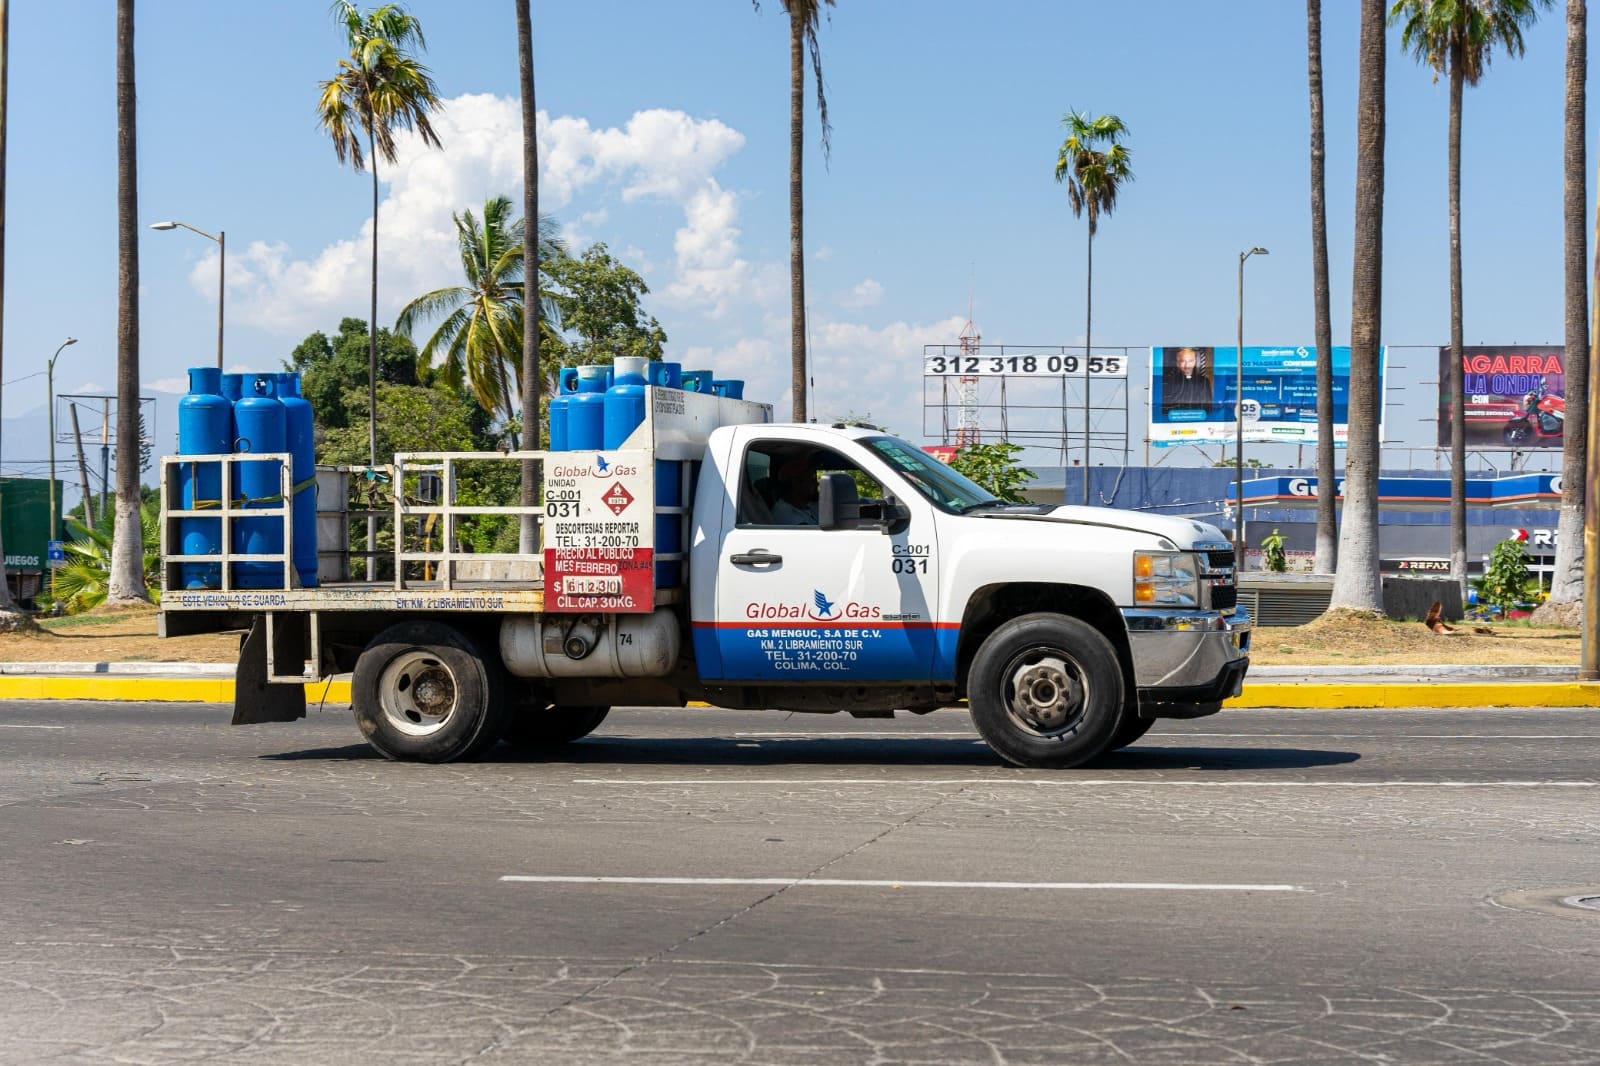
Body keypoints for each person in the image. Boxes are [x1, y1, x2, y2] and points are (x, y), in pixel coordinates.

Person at [1161, 346, 1213, 413]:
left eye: (1190, 361)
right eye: (1183, 361)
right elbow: (1165, 407)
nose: (1187, 365)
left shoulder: (1204, 381)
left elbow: (1208, 408)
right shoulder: (1169, 382)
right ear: (1177, 363)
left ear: (1194, 362)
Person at [771, 457, 819, 525]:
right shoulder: (786, 514)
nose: (816, 483)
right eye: (811, 479)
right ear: (796, 483)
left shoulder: (807, 505)